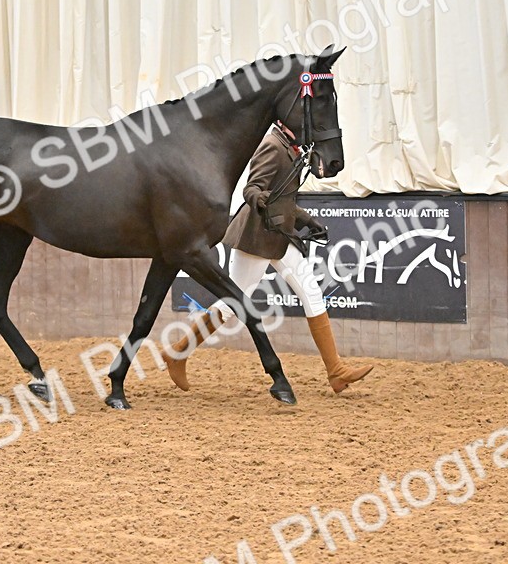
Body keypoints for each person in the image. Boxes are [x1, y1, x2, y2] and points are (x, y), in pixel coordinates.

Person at [160, 122, 373, 394]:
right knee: (231, 306)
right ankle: (178, 352)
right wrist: (260, 198)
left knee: (311, 293)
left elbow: (283, 198)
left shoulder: (290, 147)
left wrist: (307, 220)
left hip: (280, 237)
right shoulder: (272, 147)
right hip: (257, 238)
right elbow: (252, 188)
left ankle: (336, 371)